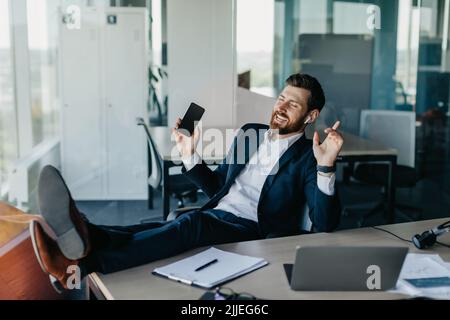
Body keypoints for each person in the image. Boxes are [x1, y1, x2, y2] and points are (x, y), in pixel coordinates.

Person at [19, 73, 344, 290]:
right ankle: (88, 236)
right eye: (281, 98)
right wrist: (190, 154)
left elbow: (325, 224)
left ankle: (82, 262)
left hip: (253, 228)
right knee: (156, 226)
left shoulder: (307, 157)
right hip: (220, 211)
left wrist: (326, 167)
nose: (281, 107)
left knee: (190, 224)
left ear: (311, 116)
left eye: (293, 104)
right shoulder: (251, 133)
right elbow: (218, 186)